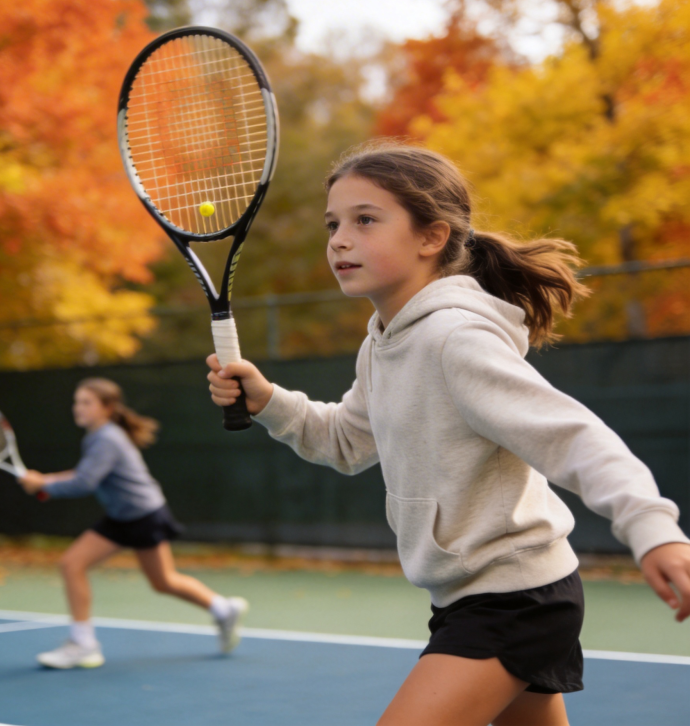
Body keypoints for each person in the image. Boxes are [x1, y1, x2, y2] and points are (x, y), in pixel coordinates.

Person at [206, 141, 690, 726]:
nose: (338, 239)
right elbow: (347, 441)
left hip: (514, 600)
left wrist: (653, 528)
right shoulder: (383, 342)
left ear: (431, 237)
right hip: (474, 597)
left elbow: (573, 436)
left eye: (365, 220)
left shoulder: (454, 341)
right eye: (333, 223)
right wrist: (268, 400)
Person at [19, 377, 248, 669]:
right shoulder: (99, 435)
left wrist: (44, 485)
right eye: (77, 402)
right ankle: (223, 609)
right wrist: (45, 481)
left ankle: (83, 645)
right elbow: (83, 472)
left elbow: (85, 482)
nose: (78, 408)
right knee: (77, 565)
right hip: (125, 515)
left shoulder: (107, 438)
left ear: (107, 407)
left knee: (161, 581)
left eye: (86, 402)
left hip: (143, 515)